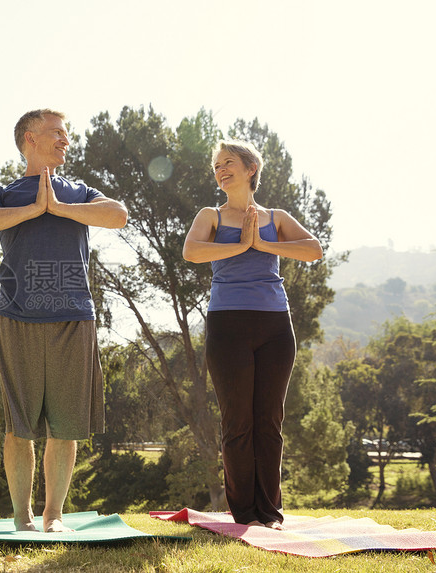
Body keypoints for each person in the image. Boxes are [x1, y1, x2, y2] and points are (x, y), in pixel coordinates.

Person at [0, 109, 127, 532]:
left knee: (65, 424)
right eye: (57, 133)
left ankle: (54, 516)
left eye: (66, 134)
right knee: (19, 426)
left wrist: (59, 206)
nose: (65, 141)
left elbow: (118, 215)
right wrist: (34, 210)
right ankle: (23, 517)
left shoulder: (80, 191)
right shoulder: (6, 192)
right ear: (30, 139)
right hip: (16, 317)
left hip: (73, 317)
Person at [182, 139, 323, 529]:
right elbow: (191, 252)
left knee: (269, 421)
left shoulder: (275, 217)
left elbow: (313, 250)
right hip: (228, 324)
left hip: (275, 325)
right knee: (238, 422)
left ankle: (270, 512)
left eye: (228, 162)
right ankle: (244, 512)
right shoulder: (210, 216)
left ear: (250, 169)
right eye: (216, 165)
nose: (221, 170)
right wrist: (240, 245)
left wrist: (261, 242)